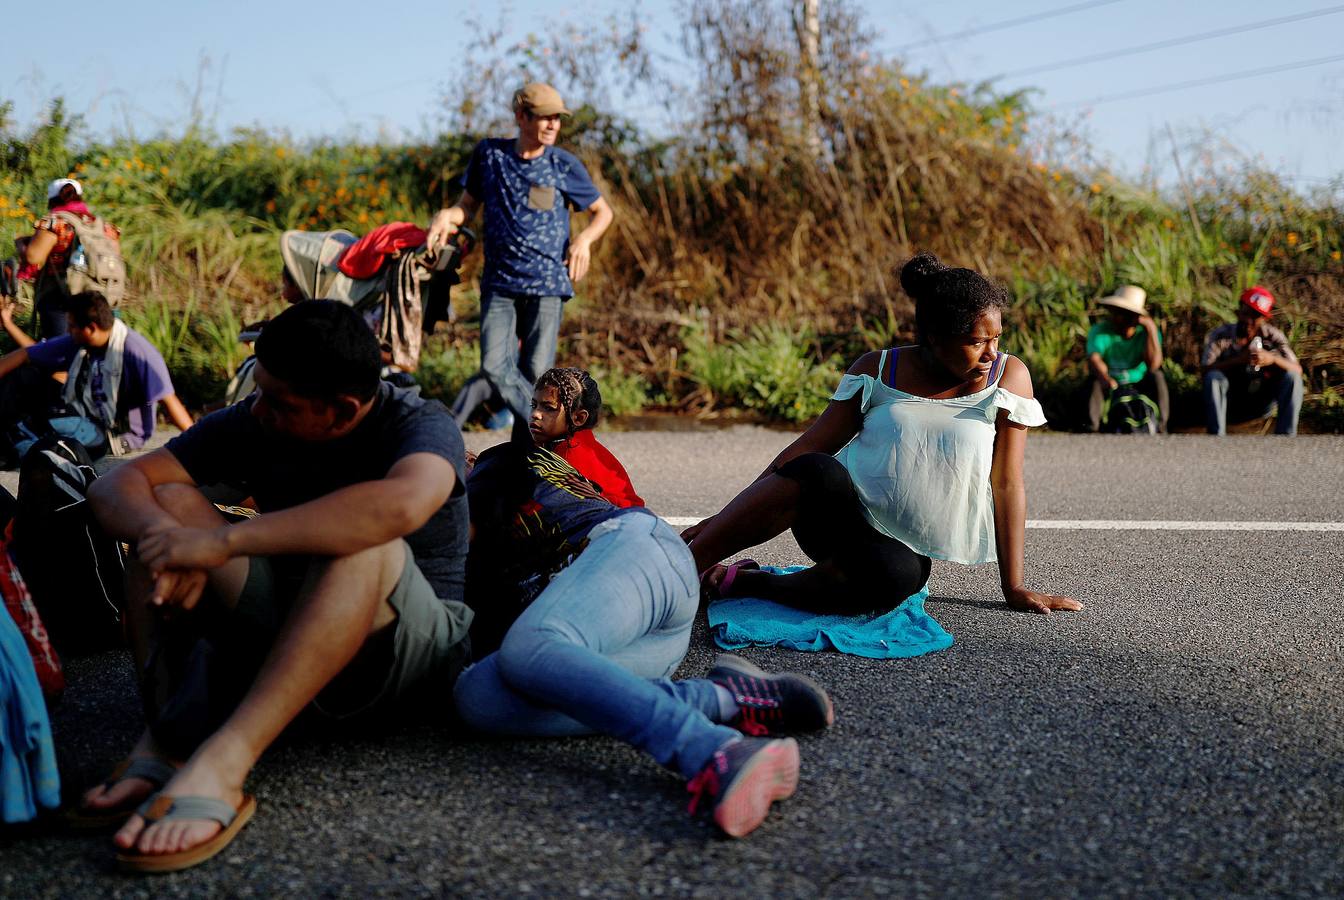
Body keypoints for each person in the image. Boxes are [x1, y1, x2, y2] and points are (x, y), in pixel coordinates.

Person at [79, 301, 474, 872]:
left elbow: (401, 504)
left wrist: (221, 545)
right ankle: (169, 734)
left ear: (342, 411)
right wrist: (169, 539)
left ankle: (226, 761)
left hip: (405, 655)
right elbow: (120, 482)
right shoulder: (260, 417)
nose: (258, 409)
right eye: (259, 389)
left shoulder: (418, 423)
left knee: (365, 542)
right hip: (298, 627)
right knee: (165, 504)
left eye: (279, 402)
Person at [456, 439, 833, 837]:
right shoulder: (474, 572)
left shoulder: (501, 461)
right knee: (479, 695)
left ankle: (712, 749)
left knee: (529, 646)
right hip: (631, 634)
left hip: (637, 550)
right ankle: (726, 697)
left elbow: (462, 531)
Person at [682, 252, 1081, 617]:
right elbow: (806, 449)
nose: (991, 352)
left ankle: (749, 582)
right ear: (935, 336)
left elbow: (1007, 482)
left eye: (995, 338)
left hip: (899, 555)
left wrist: (1013, 587)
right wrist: (722, 520)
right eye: (977, 341)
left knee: (899, 576)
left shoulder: (1008, 376)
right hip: (837, 522)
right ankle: (680, 571)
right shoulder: (878, 368)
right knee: (816, 468)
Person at [425, 82, 614, 441]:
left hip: (547, 285)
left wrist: (584, 242)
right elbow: (467, 206)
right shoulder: (490, 156)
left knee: (538, 373)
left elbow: (602, 213)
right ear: (520, 116)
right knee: (495, 366)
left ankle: (528, 464)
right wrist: (446, 216)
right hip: (499, 283)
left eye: (557, 118)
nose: (553, 125)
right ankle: (553, 428)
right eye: (545, 118)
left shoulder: (563, 164)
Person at [0, 291, 193, 459]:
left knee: (36, 439)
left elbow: (169, 400)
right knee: (25, 375)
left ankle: (21, 445)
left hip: (115, 433)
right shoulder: (80, 342)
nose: (69, 331)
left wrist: (198, 442)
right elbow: (27, 354)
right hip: (80, 412)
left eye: (72, 326)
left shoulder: (138, 353)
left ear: (91, 328)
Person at [14, 178, 119, 339]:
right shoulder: (103, 226)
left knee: (61, 352)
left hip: (61, 299)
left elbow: (33, 257)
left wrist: (21, 244)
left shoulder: (55, 223)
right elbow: (116, 258)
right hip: (100, 298)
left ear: (52, 200)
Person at [527, 366, 644, 508]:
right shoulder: (556, 442)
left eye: (549, 408)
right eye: (534, 405)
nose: (535, 414)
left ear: (579, 418)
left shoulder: (572, 454)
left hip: (618, 523)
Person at [1202, 286, 1303, 435]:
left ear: (1264, 318)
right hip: (1230, 401)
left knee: (1292, 377)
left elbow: (1298, 369)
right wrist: (1239, 360)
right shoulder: (1222, 335)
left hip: (1262, 402)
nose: (1248, 320)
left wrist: (1273, 359)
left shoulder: (1272, 337)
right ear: (1238, 311)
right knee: (1213, 378)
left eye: (1255, 316)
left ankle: (1286, 438)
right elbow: (1204, 370)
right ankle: (1216, 438)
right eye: (1245, 313)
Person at [1084, 285, 1168, 433]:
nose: (1117, 316)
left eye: (1123, 313)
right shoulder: (1100, 331)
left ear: (1136, 316)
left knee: (1158, 377)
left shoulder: (1146, 334)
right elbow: (1095, 359)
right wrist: (1105, 378)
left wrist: (1151, 330)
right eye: (1116, 311)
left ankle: (1161, 426)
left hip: (1139, 384)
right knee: (1094, 382)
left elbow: (1154, 365)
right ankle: (1093, 428)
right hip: (1111, 382)